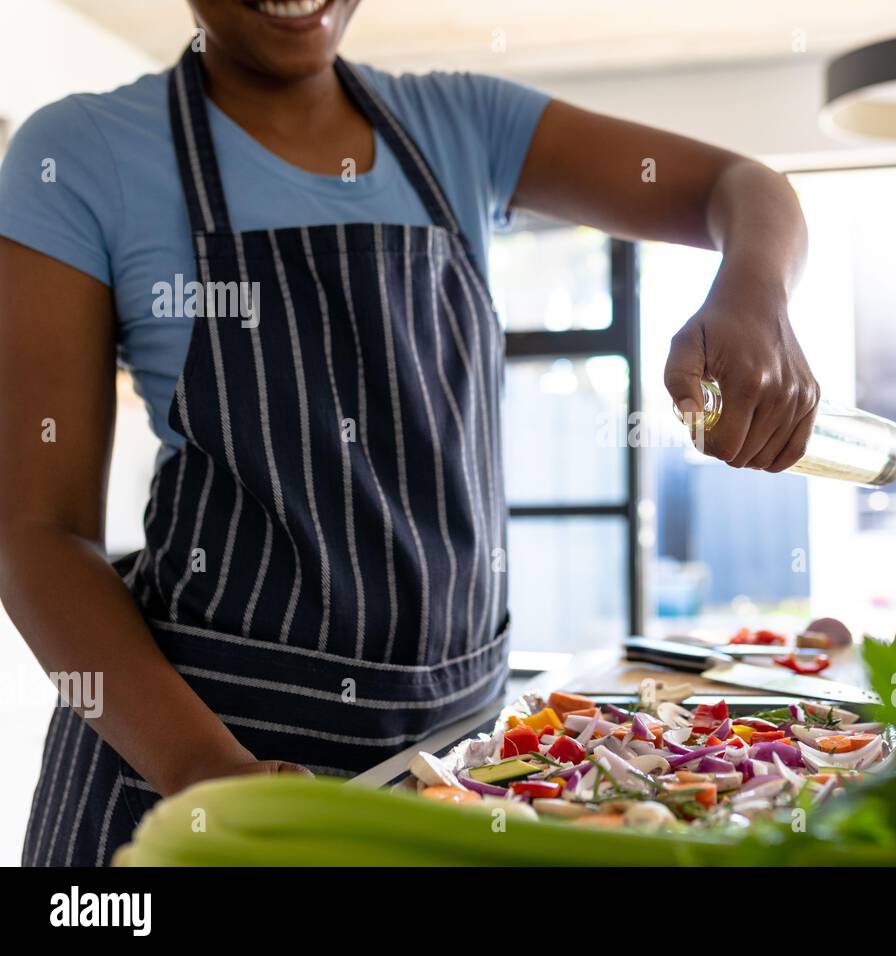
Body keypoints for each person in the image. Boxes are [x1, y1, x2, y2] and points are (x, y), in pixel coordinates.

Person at [0, 0, 817, 866]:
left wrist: (753, 291)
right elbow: (35, 531)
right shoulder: (83, 153)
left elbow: (745, 188)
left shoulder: (460, 123)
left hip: (451, 770)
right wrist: (205, 769)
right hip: (185, 775)